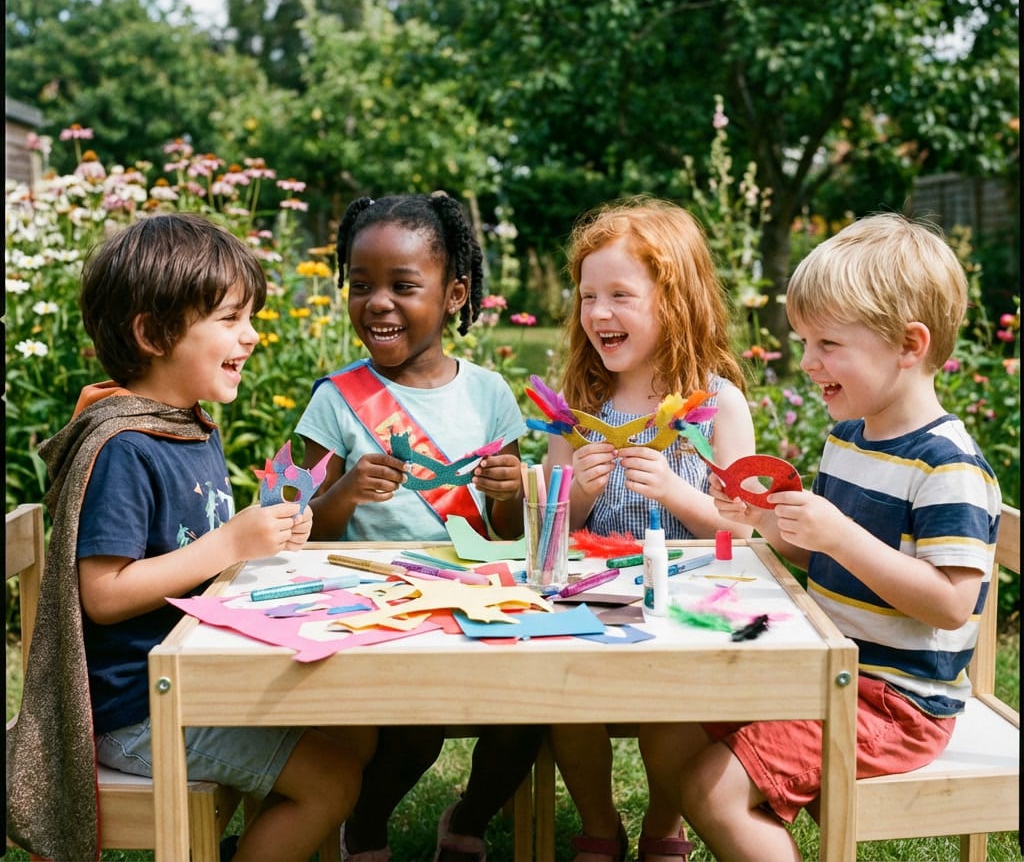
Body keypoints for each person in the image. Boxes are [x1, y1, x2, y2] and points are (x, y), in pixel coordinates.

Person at [6, 213, 376, 862]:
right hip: (136, 713)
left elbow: (195, 556)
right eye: (230, 319)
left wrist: (266, 537)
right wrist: (230, 545)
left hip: (191, 674)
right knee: (332, 780)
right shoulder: (124, 447)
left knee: (353, 722)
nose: (252, 336)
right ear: (152, 334)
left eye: (250, 318)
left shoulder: (189, 428)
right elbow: (103, 594)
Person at [639, 212, 1002, 862]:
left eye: (827, 344)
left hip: (896, 703)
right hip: (825, 668)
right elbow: (813, 552)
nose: (806, 362)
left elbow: (951, 604)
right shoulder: (849, 438)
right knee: (667, 726)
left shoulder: (947, 467)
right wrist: (761, 519)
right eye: (803, 341)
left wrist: (840, 537)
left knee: (713, 789)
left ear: (909, 345)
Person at [295, 191, 543, 862]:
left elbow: (508, 533)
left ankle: (464, 821)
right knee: (417, 725)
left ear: (456, 293)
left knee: (529, 718)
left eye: (404, 286)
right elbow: (290, 525)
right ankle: (365, 826)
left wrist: (509, 491)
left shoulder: (489, 393)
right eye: (362, 284)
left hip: (473, 596)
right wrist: (343, 494)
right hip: (371, 607)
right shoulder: (333, 401)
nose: (378, 302)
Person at [543, 196, 757, 862]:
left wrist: (676, 493)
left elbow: (740, 535)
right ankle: (599, 825)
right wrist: (578, 489)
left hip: (694, 601)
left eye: (619, 295)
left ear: (676, 299)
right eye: (587, 297)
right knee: (564, 695)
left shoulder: (719, 404)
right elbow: (551, 530)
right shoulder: (580, 402)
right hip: (596, 598)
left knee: (681, 703)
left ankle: (665, 825)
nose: (598, 313)